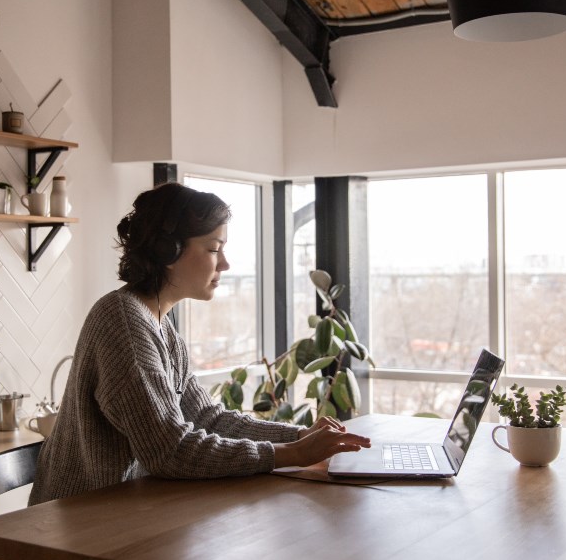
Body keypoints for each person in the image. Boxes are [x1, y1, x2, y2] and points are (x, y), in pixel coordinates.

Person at [31, 182, 370, 504]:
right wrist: (292, 454)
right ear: (168, 251)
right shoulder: (123, 322)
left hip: (125, 510)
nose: (225, 263)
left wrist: (300, 436)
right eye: (213, 249)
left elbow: (207, 418)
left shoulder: (160, 328)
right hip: (74, 526)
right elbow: (169, 451)